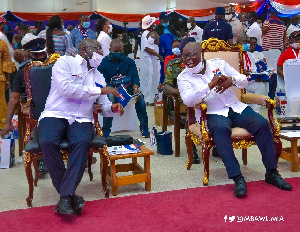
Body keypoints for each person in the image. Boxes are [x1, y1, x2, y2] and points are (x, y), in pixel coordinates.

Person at [177, 42, 292, 198]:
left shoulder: (219, 63)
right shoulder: (183, 77)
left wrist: (232, 80)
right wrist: (210, 85)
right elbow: (189, 100)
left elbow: (243, 79)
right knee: (220, 130)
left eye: (191, 54)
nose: (188, 58)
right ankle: (237, 177)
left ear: (201, 52)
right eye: (185, 55)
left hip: (235, 106)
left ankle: (272, 172)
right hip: (212, 112)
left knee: (262, 124)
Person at [37, 39, 124, 215]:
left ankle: (65, 197)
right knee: (46, 141)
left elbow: (104, 105)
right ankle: (68, 196)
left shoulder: (98, 76)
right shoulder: (64, 63)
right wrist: (100, 91)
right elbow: (67, 89)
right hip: (56, 113)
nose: (101, 54)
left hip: (82, 119)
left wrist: (112, 108)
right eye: (98, 49)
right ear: (84, 49)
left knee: (82, 142)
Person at [98, 39, 150, 138]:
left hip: (128, 90)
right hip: (111, 90)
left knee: (140, 98)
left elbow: (134, 77)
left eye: (120, 51)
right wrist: (112, 89)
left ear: (123, 50)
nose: (117, 53)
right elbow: (103, 80)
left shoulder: (129, 61)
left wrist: (135, 88)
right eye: (115, 51)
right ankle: (106, 130)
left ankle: (144, 128)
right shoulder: (104, 63)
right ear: (110, 50)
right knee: (110, 98)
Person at [163, 37, 200, 164]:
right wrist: (180, 92)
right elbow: (166, 87)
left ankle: (216, 144)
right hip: (182, 104)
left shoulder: (202, 65)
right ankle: (193, 151)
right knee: (191, 117)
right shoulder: (173, 66)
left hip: (202, 102)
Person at [236, 34, 265, 113]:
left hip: (250, 81)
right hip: (238, 82)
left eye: (248, 42)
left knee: (261, 86)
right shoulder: (234, 54)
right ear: (238, 43)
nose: (247, 44)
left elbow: (253, 69)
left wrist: (258, 75)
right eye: (244, 42)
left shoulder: (251, 55)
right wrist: (241, 71)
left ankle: (255, 112)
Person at [139, 15, 163, 105]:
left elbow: (157, 42)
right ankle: (147, 100)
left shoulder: (151, 33)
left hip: (153, 61)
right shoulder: (145, 34)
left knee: (153, 80)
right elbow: (147, 48)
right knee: (148, 80)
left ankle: (152, 99)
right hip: (148, 61)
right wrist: (158, 55)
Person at [0, 39, 14, 129]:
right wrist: (8, 80)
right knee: (1, 101)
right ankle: (1, 125)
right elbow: (7, 62)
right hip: (0, 77)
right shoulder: (2, 43)